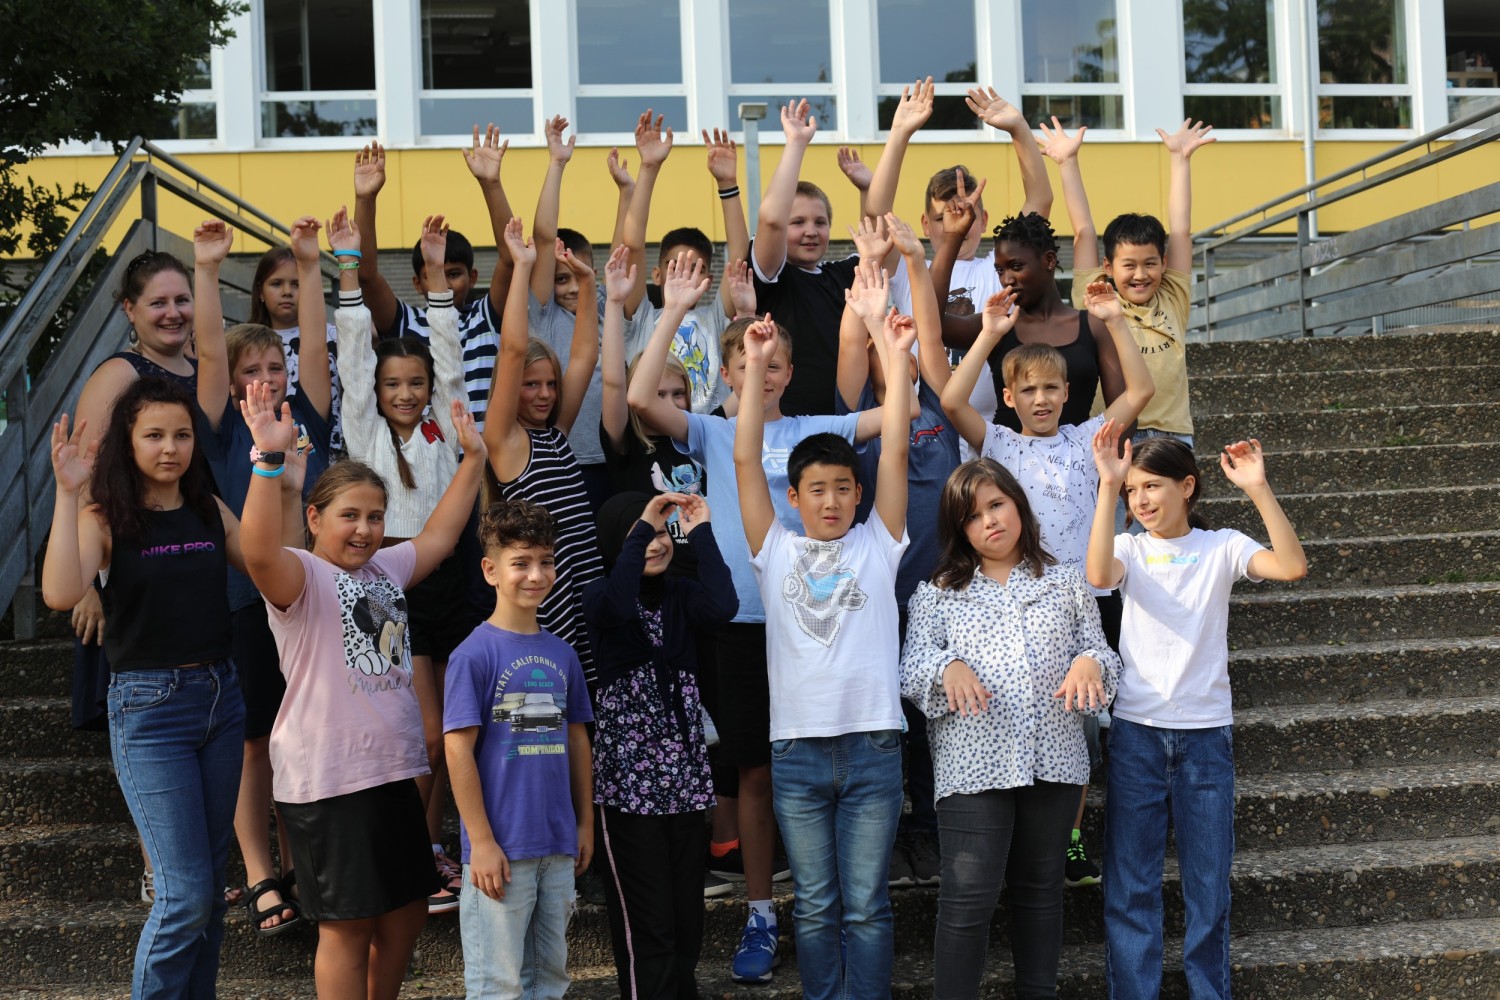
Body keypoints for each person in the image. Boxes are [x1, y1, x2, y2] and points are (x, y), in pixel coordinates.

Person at [629, 277, 885, 984]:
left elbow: (901, 413)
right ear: (727, 372)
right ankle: (762, 911)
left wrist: (877, 327)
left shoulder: (815, 433)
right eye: (748, 361)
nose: (762, 372)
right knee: (755, 769)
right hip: (741, 623)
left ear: (791, 373)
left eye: (774, 362)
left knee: (820, 763)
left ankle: (829, 911)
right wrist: (673, 310)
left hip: (815, 624)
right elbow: (640, 399)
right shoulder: (712, 431)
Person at [237, 379, 487, 1000]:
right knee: (348, 928)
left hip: (391, 773)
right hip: (328, 782)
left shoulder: (385, 572)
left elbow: (438, 537)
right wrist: (269, 463)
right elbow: (258, 552)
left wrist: (474, 460)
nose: (365, 529)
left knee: (405, 914)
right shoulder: (303, 576)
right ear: (315, 518)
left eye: (375, 517)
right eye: (349, 516)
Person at [41, 377, 284, 998]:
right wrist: (67, 494)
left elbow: (271, 565)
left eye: (181, 435)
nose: (170, 447)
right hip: (150, 710)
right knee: (185, 895)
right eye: (153, 435)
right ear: (128, 442)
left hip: (222, 699)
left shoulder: (207, 508)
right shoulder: (104, 517)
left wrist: (271, 466)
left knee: (209, 892)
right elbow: (61, 592)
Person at [942, 281, 1155, 887]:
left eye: (1052, 388)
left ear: (1068, 392)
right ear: (1009, 397)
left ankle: (1069, 835)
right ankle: (1021, 837)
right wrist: (989, 333)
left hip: (1085, 603)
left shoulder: (1089, 438)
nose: (1041, 399)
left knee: (1080, 724)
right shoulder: (998, 441)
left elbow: (1140, 390)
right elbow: (953, 400)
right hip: (1015, 606)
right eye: (1029, 390)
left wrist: (1114, 320)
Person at [1086, 424, 1306, 1000]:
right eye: (1134, 490)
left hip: (1206, 738)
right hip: (1137, 733)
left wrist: (1258, 489)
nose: (1141, 499)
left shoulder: (1222, 546)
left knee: (1208, 887)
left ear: (1187, 487)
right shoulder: (1130, 548)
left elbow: (1291, 566)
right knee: (1131, 884)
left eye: (1152, 486)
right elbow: (1098, 576)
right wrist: (1108, 487)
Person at [735, 306, 912, 1000]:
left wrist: (894, 357)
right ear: (794, 497)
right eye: (817, 490)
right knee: (813, 905)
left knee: (865, 905)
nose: (832, 501)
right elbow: (745, 459)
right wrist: (755, 365)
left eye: (843, 488)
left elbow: (893, 449)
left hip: (873, 745)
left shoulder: (878, 543)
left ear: (859, 494)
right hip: (797, 753)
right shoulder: (773, 548)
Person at [901, 459, 1119, 999]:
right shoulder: (938, 593)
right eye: (972, 516)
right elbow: (911, 668)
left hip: (1055, 759)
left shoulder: (1066, 583)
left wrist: (1090, 662)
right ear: (959, 529)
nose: (989, 521)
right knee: (967, 898)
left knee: (1041, 892)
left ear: (1017, 503)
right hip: (974, 765)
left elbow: (1103, 654)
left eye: (996, 505)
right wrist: (946, 667)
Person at [194, 215, 334, 935]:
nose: (266, 380)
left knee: (303, 732)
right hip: (248, 601)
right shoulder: (222, 425)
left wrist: (310, 266)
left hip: (310, 598)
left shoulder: (305, 410)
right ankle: (259, 873)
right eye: (251, 370)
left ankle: (303, 865)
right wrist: (207, 270)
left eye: (274, 369)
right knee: (255, 739)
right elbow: (209, 353)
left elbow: (312, 341)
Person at [70, 247, 222, 901]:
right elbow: (83, 473)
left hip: (189, 564)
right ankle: (158, 877)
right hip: (126, 572)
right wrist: (90, 582)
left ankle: (184, 879)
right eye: (157, 302)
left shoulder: (203, 370)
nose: (173, 312)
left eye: (182, 299)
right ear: (129, 310)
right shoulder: (117, 373)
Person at [335, 207, 475, 912]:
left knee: (455, 729)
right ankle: (408, 855)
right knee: (417, 731)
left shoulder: (443, 423)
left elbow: (449, 360)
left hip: (452, 578)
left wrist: (436, 275)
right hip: (388, 586)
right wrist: (347, 271)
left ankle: (440, 848)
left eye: (414, 383)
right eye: (393, 384)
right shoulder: (363, 429)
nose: (404, 393)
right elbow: (353, 358)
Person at [836, 226, 962, 890]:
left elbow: (931, 340)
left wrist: (915, 260)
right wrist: (867, 280)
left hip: (943, 597)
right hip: (880, 599)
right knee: (888, 720)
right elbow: (850, 346)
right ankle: (887, 835)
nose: (898, 347)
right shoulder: (859, 409)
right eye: (885, 343)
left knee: (934, 718)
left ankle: (931, 830)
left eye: (903, 341)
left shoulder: (938, 402)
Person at [583, 491, 737, 999]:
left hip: (685, 785)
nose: (654, 543)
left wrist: (700, 532)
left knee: (685, 918)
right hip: (628, 792)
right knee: (646, 923)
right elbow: (615, 604)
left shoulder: (682, 595)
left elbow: (724, 605)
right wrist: (646, 523)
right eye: (640, 535)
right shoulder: (600, 596)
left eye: (660, 533)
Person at [840, 82, 1054, 441]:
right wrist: (899, 134)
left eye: (968, 214)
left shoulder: (999, 269)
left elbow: (1040, 201)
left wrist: (1019, 129)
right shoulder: (910, 268)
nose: (957, 224)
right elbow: (877, 215)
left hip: (991, 428)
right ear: (925, 225)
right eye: (942, 218)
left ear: (984, 221)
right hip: (924, 426)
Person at [443, 499, 595, 1000]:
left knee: (550, 981)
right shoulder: (472, 654)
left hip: (557, 845)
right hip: (500, 850)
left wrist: (585, 823)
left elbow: (577, 738)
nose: (536, 575)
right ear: (490, 570)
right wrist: (481, 841)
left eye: (546, 561)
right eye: (521, 562)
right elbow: (457, 751)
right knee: (498, 986)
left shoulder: (563, 653)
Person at [1042, 117, 1214, 451]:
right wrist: (1067, 163)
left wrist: (1180, 160)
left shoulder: (1172, 297)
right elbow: (1083, 232)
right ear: (1108, 266)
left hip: (1171, 435)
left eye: (1150, 263)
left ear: (1164, 263)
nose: (1140, 274)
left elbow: (1180, 231)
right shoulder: (1097, 297)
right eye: (1129, 265)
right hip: (1112, 433)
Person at [484, 217, 605, 685]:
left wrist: (588, 283)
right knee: (552, 708)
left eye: (550, 384)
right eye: (531, 385)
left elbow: (585, 356)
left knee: (589, 710)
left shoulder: (555, 433)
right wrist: (522, 267)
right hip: (549, 603)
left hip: (586, 593)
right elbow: (513, 350)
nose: (545, 394)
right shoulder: (506, 441)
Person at [351, 129, 513, 425]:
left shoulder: (486, 317)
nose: (445, 283)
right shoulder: (406, 322)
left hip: (485, 452)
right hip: (427, 453)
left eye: (454, 274)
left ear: (473, 277)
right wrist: (365, 199)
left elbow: (511, 258)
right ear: (417, 283)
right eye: (433, 274)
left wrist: (491, 183)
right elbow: (366, 276)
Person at [932, 207, 1125, 435]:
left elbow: (1123, 410)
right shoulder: (997, 327)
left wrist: (1104, 458)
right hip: (1007, 455)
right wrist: (952, 238)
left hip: (1079, 455)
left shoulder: (1094, 326)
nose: (1007, 279)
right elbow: (931, 322)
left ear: (1049, 261)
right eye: (999, 270)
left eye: (1016, 267)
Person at [618, 116, 755, 413]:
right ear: (656, 275)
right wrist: (649, 167)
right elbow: (633, 245)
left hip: (709, 431)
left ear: (709, 279)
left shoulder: (714, 318)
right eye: (674, 266)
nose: (684, 274)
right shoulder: (642, 318)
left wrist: (727, 184)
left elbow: (740, 255)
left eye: (696, 268)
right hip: (653, 431)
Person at [748, 99, 860, 417]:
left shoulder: (842, 275)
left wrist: (866, 189)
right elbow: (771, 220)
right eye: (797, 222)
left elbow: (877, 240)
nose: (811, 231)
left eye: (820, 222)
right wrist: (795, 144)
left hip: (843, 425)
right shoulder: (774, 278)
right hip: (787, 424)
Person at [527, 114, 615, 509]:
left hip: (611, 458)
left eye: (580, 276)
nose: (573, 287)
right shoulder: (544, 316)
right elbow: (545, 240)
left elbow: (624, 249)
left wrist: (627, 191)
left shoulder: (606, 310)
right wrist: (556, 163)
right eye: (561, 278)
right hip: (562, 457)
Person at [245, 241, 344, 451]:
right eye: (276, 283)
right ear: (260, 291)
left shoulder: (333, 336)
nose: (287, 291)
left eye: (296, 284)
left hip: (328, 450)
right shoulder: (246, 343)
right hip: (264, 451)